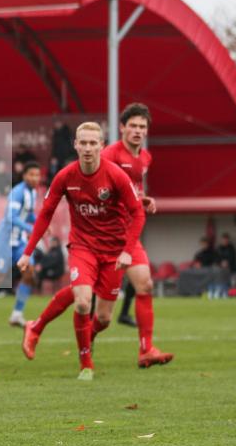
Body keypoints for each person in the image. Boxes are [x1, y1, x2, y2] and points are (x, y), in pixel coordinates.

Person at [17, 122, 147, 380]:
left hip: (114, 251)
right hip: (82, 246)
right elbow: (45, 214)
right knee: (83, 300)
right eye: (83, 143)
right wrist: (28, 252)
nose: (87, 148)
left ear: (101, 145)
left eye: (92, 143)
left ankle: (37, 325)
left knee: (104, 318)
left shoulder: (115, 175)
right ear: (75, 145)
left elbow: (137, 213)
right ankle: (85, 363)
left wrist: (127, 251)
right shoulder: (65, 176)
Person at [99, 103, 173, 365]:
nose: (138, 131)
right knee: (100, 316)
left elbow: (132, 191)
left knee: (145, 284)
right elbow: (102, 193)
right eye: (133, 126)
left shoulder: (145, 158)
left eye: (143, 127)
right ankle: (81, 339)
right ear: (122, 127)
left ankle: (146, 350)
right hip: (105, 235)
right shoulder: (108, 155)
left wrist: (143, 199)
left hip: (129, 232)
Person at [0, 161, 41, 330]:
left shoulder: (32, 193)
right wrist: (30, 228)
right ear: (24, 175)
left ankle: (17, 314)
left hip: (19, 241)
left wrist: (40, 224)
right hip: (5, 240)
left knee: (29, 273)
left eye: (37, 175)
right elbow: (11, 217)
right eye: (31, 174)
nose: (35, 178)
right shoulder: (17, 192)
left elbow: (28, 214)